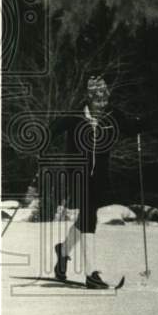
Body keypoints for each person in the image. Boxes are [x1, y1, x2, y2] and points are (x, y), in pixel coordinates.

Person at [49, 75, 138, 289]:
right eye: (98, 100)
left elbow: (131, 128)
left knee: (88, 218)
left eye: (105, 100)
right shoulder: (74, 116)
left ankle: (62, 251)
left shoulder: (111, 115)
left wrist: (142, 125)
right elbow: (52, 130)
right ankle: (91, 274)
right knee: (89, 216)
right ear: (89, 99)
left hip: (99, 176)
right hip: (77, 174)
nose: (102, 104)